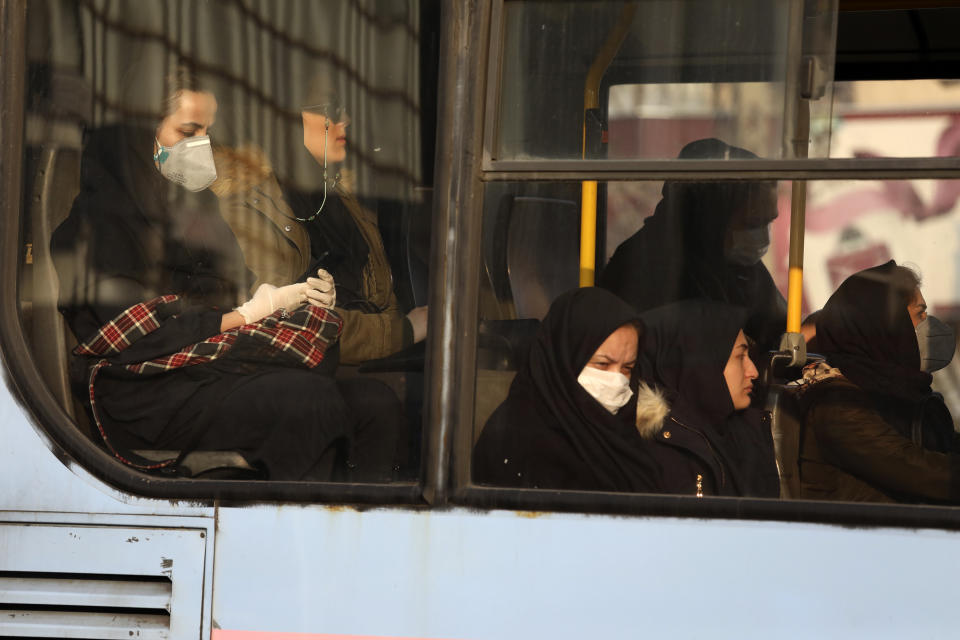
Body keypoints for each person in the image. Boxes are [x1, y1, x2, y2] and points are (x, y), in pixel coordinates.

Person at [51, 67, 399, 481]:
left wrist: (296, 299)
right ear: (139, 132)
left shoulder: (191, 209)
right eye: (187, 131)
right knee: (308, 403)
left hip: (206, 370)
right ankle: (297, 539)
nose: (200, 146)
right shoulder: (99, 223)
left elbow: (232, 286)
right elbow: (134, 332)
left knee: (377, 405)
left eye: (206, 132)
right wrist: (247, 314)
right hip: (146, 390)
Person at [215, 78, 427, 365]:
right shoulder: (251, 202)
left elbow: (381, 300)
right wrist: (402, 332)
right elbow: (285, 323)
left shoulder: (342, 195)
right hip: (315, 369)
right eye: (332, 108)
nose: (346, 120)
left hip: (369, 357)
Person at [794, 260, 960, 503]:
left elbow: (945, 442)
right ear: (886, 323)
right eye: (919, 314)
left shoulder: (895, 393)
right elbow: (915, 469)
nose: (928, 323)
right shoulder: (839, 405)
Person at [600, 138, 786, 351]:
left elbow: (778, 327)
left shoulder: (737, 264)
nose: (762, 235)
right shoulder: (647, 268)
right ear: (713, 217)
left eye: (769, 221)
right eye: (753, 223)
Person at [472, 287, 659, 492]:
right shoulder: (516, 442)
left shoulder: (627, 438)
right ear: (564, 360)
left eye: (627, 368)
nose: (617, 380)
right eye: (602, 365)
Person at [636, 300, 780, 497]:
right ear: (701, 366)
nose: (753, 371)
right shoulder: (657, 451)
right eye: (740, 357)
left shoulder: (743, 432)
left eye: (750, 356)